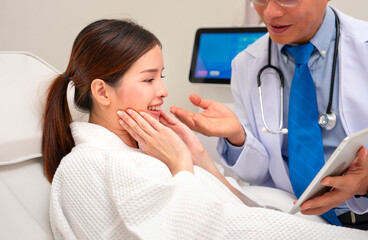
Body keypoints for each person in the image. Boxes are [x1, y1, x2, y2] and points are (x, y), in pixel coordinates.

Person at [41, 19, 367, 239]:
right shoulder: (90, 164)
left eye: (161, 77)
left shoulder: (142, 154)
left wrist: (198, 159)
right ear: (102, 92)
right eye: (149, 79)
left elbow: (230, 211)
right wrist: (181, 166)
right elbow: (194, 230)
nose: (163, 91)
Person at [171, 0, 368, 230]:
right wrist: (238, 137)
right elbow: (260, 172)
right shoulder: (246, 65)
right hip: (294, 218)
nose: (271, 12)